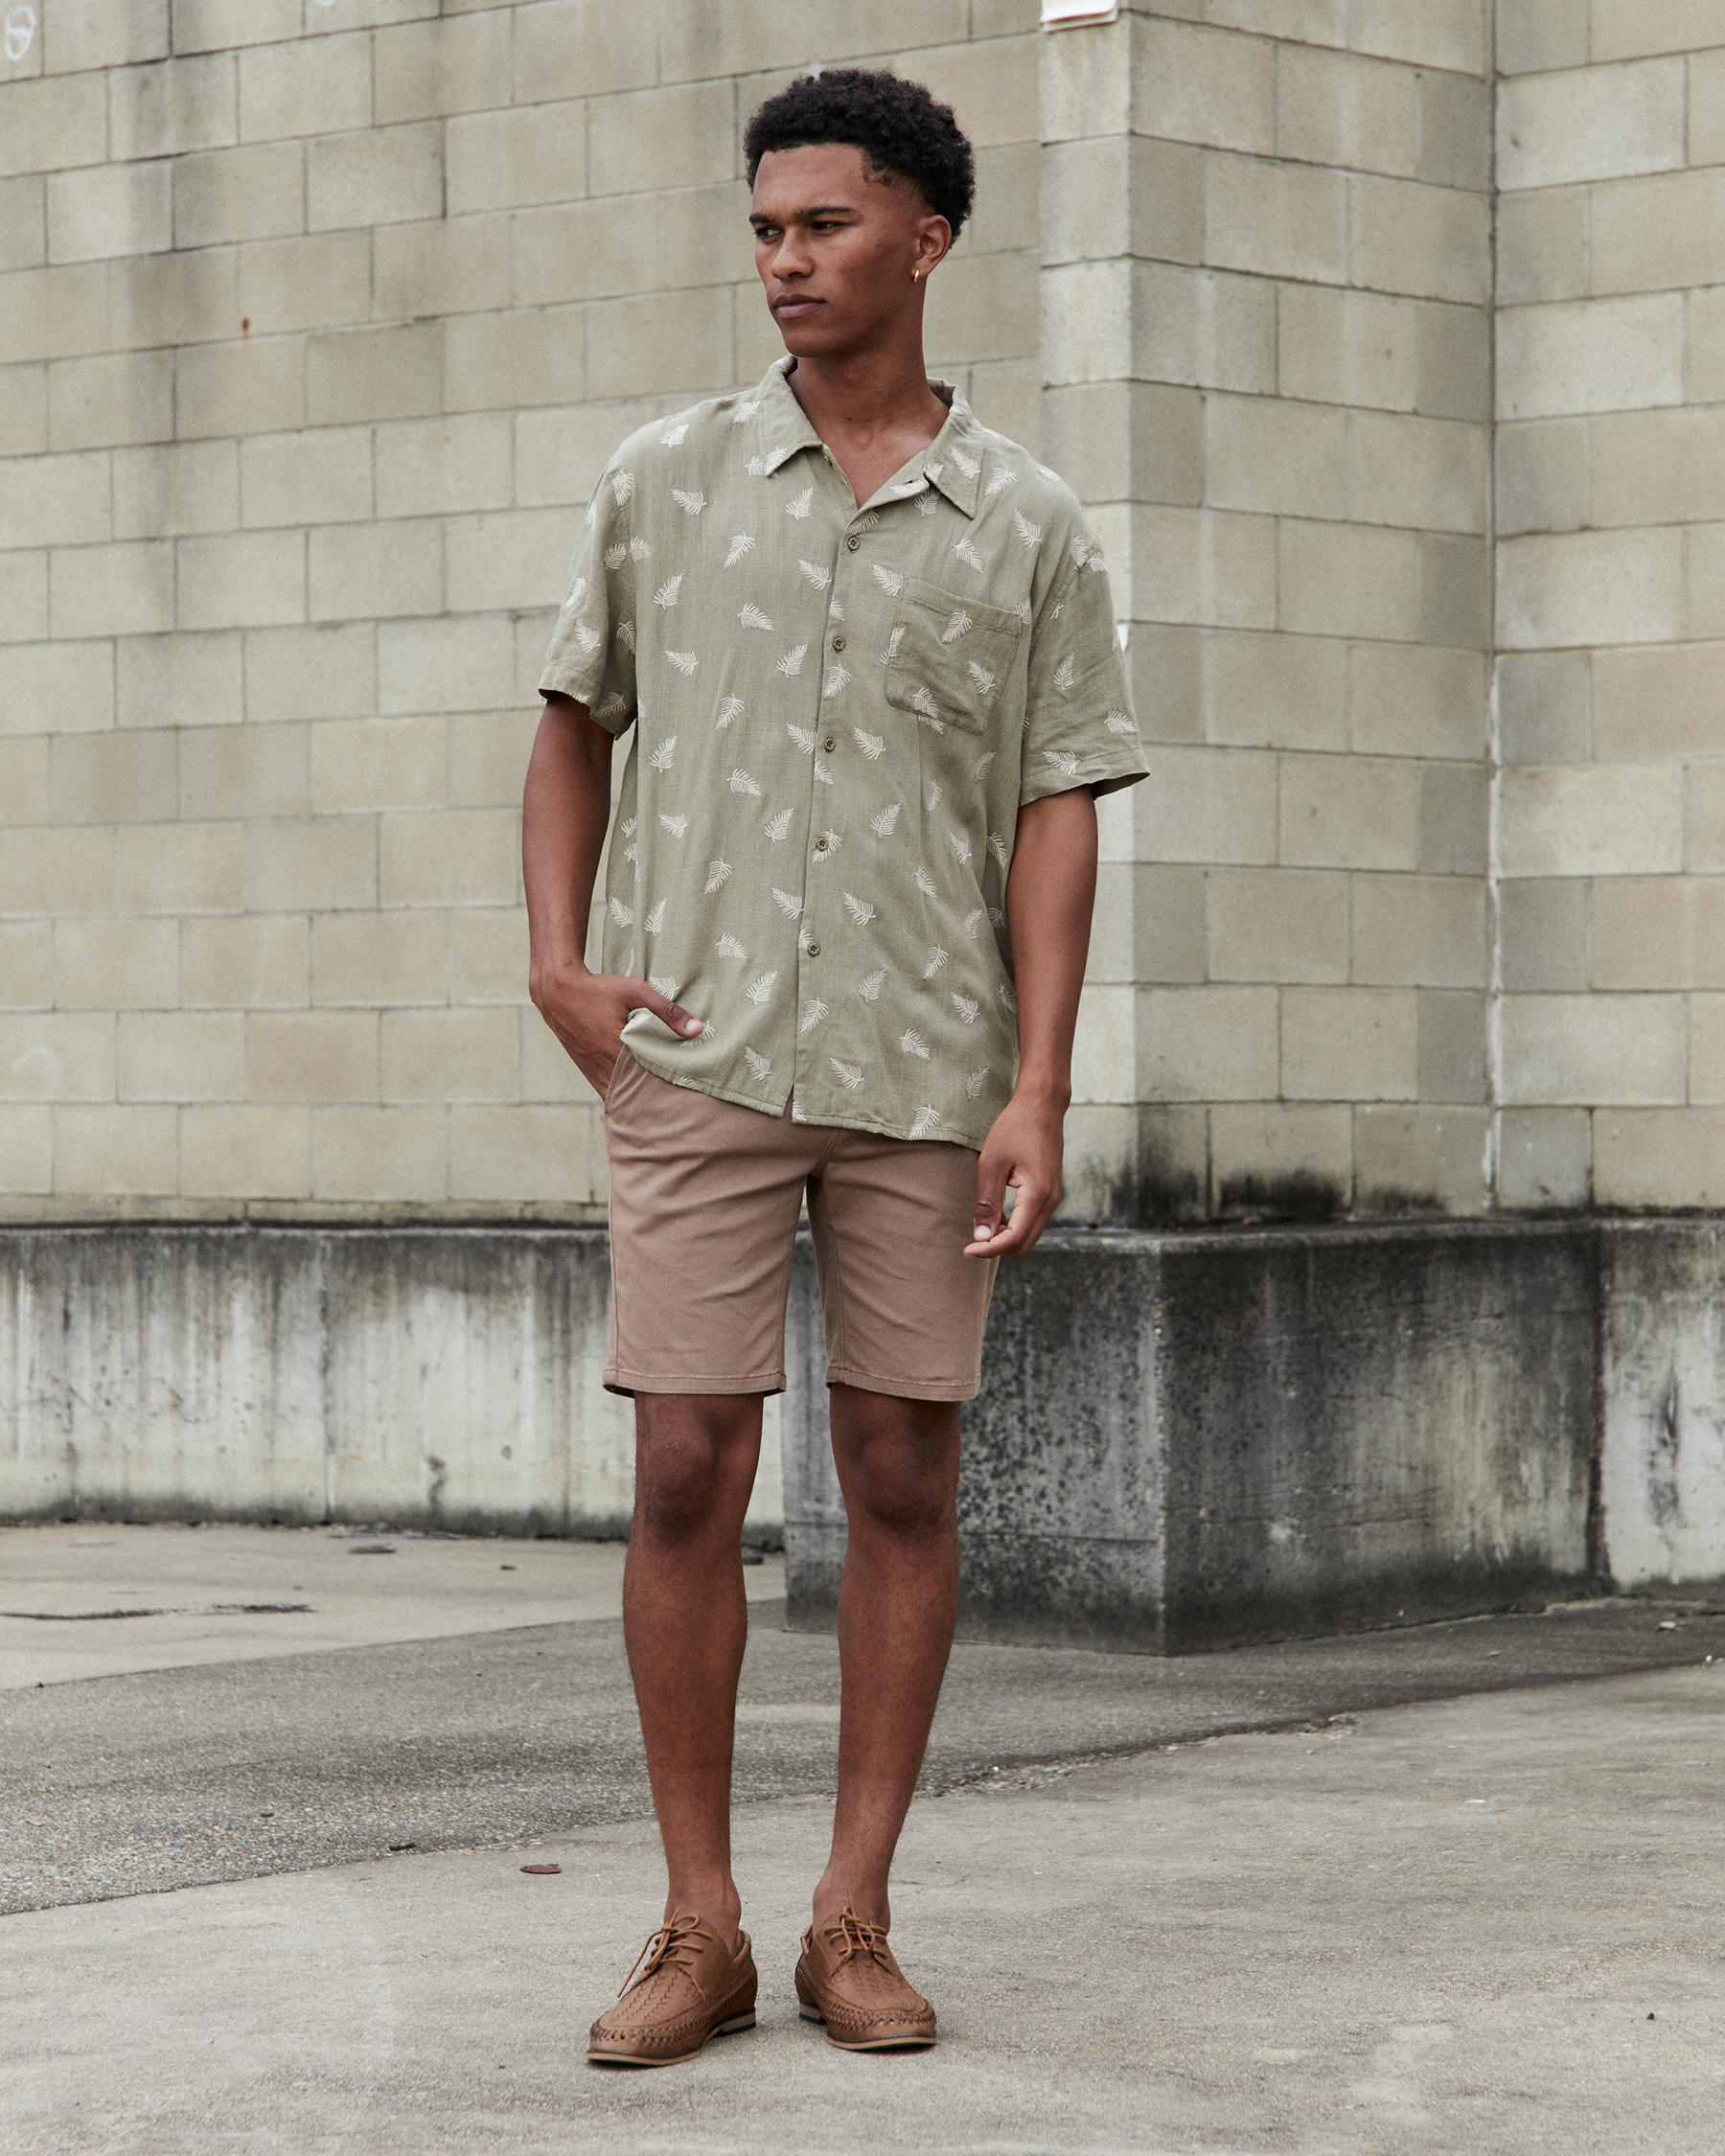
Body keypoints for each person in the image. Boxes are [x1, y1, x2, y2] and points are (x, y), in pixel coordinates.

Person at [522, 62, 1147, 2067]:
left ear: (926, 238)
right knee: (683, 1465)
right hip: (697, 1047)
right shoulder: (666, 477)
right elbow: (572, 724)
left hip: (926, 1063)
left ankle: (852, 1913)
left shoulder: (1029, 522)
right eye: (766, 230)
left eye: (824, 226)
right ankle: (696, 1923)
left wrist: (1041, 1084)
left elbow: (1059, 807)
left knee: (899, 1472)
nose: (784, 261)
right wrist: (560, 969)